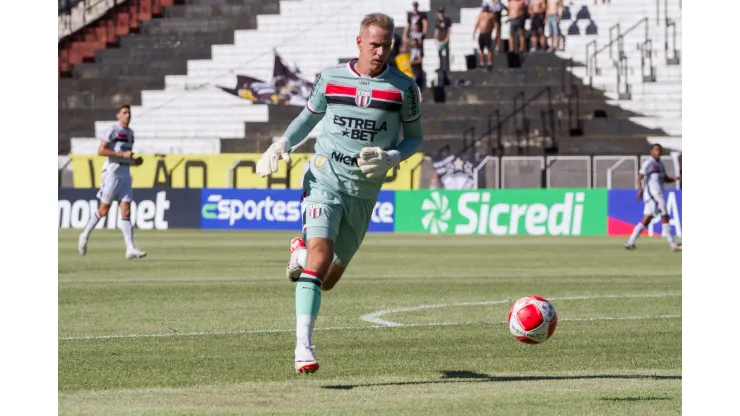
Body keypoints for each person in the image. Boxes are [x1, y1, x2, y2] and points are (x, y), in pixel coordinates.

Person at [255, 12, 423, 374]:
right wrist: (282, 143)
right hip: (324, 178)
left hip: (363, 192)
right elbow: (308, 117)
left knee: (328, 278)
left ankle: (298, 250)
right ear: (359, 42)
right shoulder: (331, 78)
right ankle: (303, 347)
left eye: (387, 45)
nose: (380, 51)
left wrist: (392, 157)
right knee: (321, 255)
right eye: (374, 44)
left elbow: (415, 138)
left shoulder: (404, 89)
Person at [77, 104, 146, 259]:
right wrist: (122, 155)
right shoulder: (113, 130)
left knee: (126, 210)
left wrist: (135, 162)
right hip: (112, 173)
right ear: (118, 115)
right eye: (124, 112)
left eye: (129, 112)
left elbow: (126, 156)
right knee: (103, 210)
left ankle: (130, 248)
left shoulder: (131, 133)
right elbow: (101, 150)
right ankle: (84, 235)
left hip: (125, 174)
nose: (128, 115)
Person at [624, 144, 681, 251]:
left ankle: (630, 242)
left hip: (657, 195)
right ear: (651, 152)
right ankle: (673, 244)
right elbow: (640, 176)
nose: (658, 152)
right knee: (665, 216)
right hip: (653, 196)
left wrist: (675, 179)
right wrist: (640, 190)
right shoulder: (648, 163)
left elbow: (665, 179)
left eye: (659, 150)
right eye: (655, 150)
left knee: (646, 220)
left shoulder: (660, 164)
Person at [473, 4, 496, 70]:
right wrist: (474, 32)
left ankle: (489, 62)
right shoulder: (480, 15)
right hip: (481, 33)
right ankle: (482, 62)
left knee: (489, 49)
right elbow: (477, 24)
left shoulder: (491, 15)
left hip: (488, 34)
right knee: (481, 49)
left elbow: (494, 24)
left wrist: (495, 33)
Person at [434, 6, 452, 73]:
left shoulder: (447, 20)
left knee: (447, 53)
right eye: (440, 12)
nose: (441, 14)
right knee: (439, 53)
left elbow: (448, 29)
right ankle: (440, 66)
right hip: (440, 39)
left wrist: (447, 37)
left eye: (442, 12)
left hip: (445, 38)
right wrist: (435, 37)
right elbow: (437, 29)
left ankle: (447, 67)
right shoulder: (437, 20)